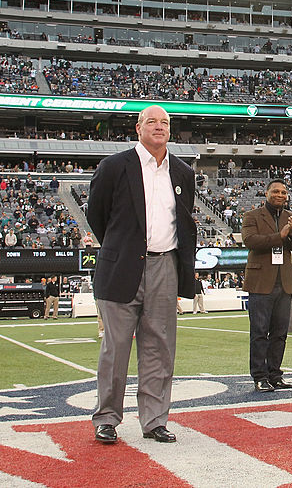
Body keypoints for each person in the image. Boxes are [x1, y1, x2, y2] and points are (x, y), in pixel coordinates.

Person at [87, 105, 197, 445]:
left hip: (165, 265)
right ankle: (107, 418)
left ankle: (154, 421)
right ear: (138, 128)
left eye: (165, 123)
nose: (159, 127)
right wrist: (121, 249)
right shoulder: (115, 166)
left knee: (160, 347)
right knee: (116, 347)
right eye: (152, 121)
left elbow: (184, 219)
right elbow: (96, 214)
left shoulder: (181, 171)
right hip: (122, 266)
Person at [242, 179, 292, 392]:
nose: (280, 195)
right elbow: (251, 241)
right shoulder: (252, 216)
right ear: (266, 193)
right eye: (276, 191)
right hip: (261, 281)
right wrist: (281, 235)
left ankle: (275, 374)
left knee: (280, 333)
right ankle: (259, 376)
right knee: (259, 332)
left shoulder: (291, 218)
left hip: (284, 281)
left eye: (284, 192)